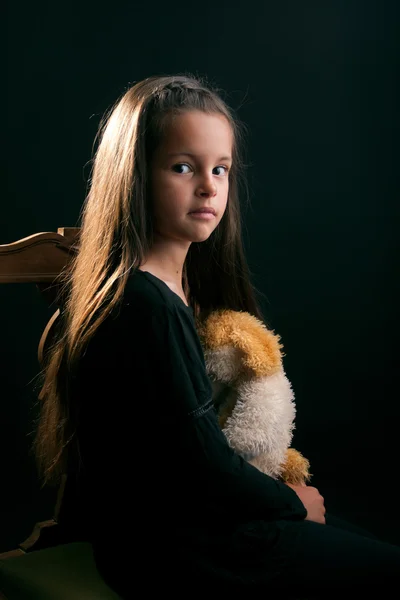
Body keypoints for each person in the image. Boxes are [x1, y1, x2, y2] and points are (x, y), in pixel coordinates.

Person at [34, 74, 400, 598]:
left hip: (193, 528)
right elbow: (202, 466)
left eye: (220, 169)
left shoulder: (170, 291)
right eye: (183, 167)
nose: (209, 186)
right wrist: (292, 503)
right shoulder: (147, 305)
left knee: (366, 546)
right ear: (134, 177)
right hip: (180, 550)